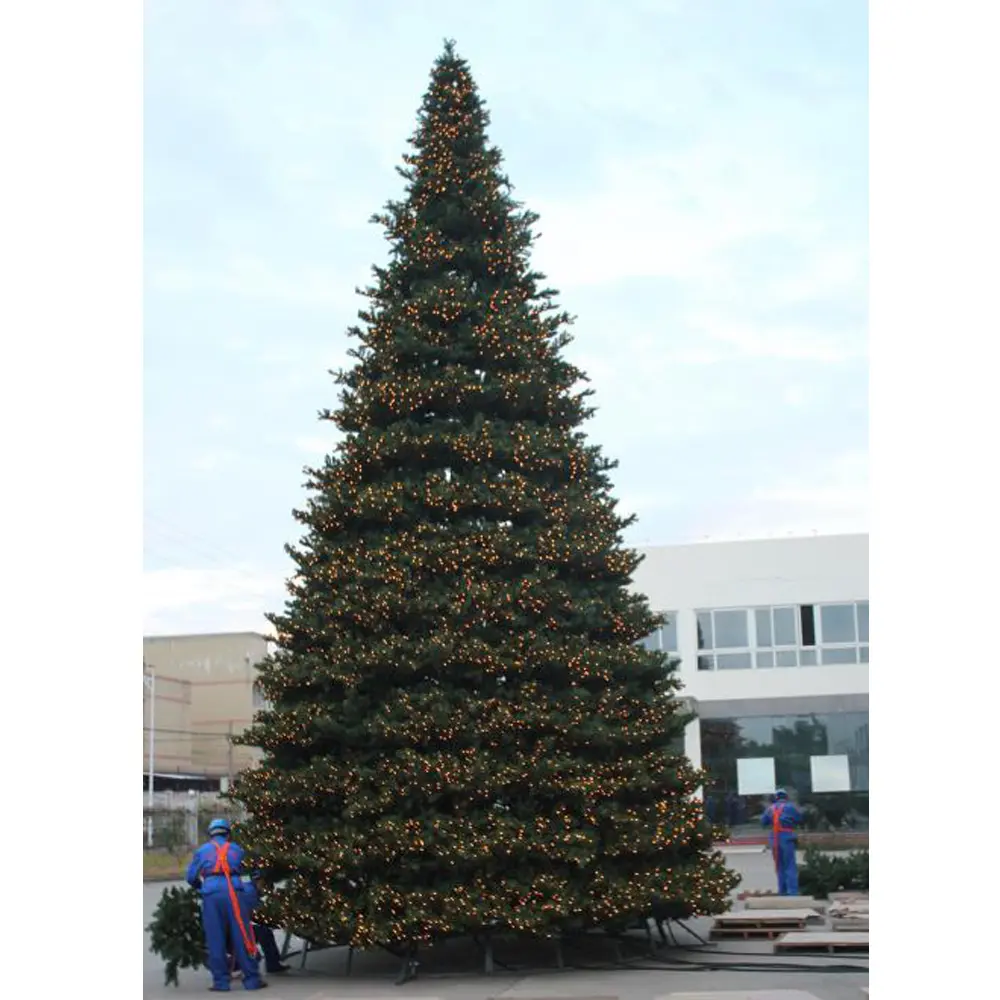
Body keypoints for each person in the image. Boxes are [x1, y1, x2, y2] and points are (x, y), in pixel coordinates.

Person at [186, 817, 266, 991]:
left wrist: (202, 887)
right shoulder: (237, 850)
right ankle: (252, 980)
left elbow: (191, 877)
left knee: (216, 939)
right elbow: (254, 873)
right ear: (228, 834)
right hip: (234, 893)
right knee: (243, 936)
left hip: (212, 894)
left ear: (211, 835)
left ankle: (221, 983)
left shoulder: (202, 851)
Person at [231, 874, 290, 977]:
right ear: (259, 882)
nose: (267, 891)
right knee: (263, 932)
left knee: (263, 931)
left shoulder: (248, 888)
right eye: (266, 887)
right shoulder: (249, 893)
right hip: (233, 929)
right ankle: (235, 966)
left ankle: (272, 963)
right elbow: (258, 914)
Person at [761, 789, 803, 896]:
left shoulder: (770, 809)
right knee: (790, 865)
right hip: (787, 837)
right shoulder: (790, 807)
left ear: (776, 798)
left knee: (779, 866)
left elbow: (763, 821)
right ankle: (792, 892)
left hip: (774, 838)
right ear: (786, 797)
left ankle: (782, 890)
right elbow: (799, 819)